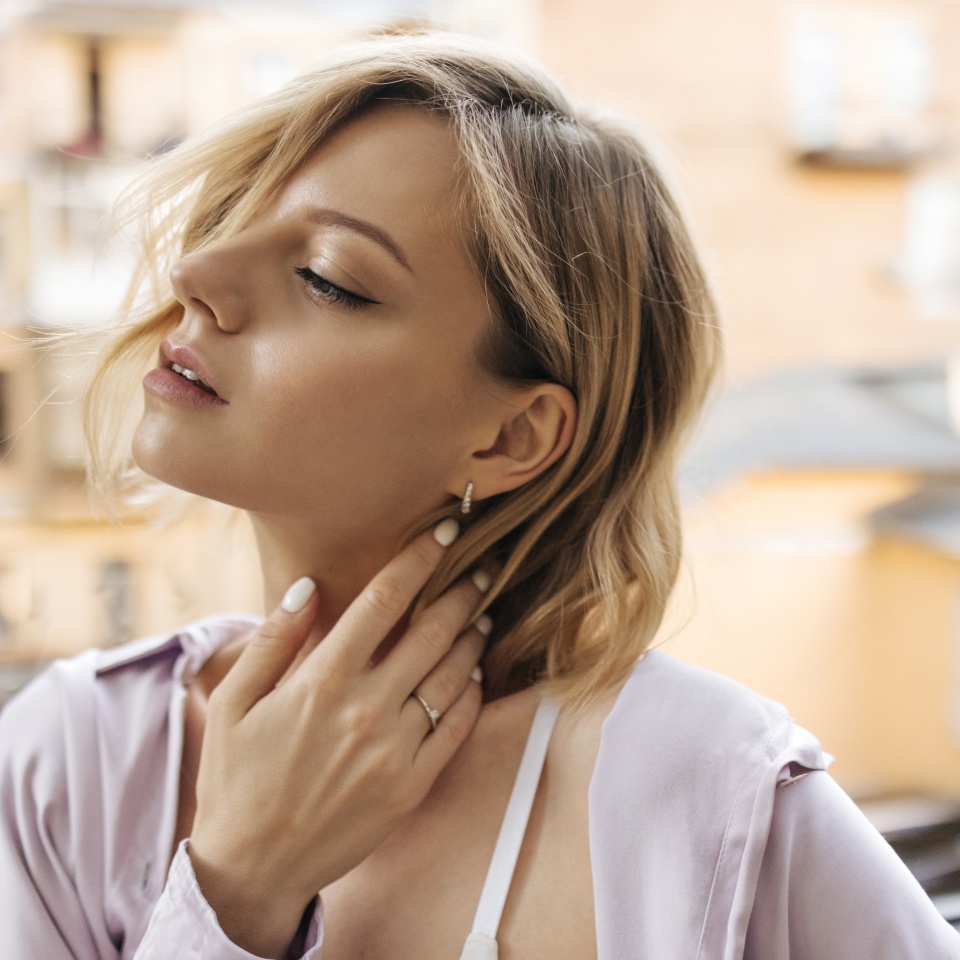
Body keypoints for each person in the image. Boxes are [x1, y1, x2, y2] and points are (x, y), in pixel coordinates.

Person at [0, 31, 957, 960]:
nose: (196, 275)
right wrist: (235, 888)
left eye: (328, 279)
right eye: (226, 221)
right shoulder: (74, 764)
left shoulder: (716, 799)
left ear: (512, 436)